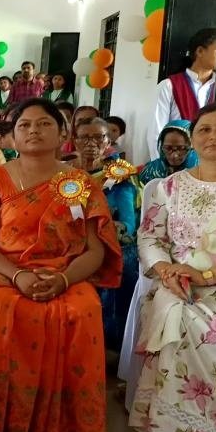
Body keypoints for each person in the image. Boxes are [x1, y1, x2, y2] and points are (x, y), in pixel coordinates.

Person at [0, 98, 123, 432]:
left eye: (44, 124)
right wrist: (17, 275)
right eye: (24, 125)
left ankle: (66, 424)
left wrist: (64, 280)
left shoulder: (81, 183)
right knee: (3, 306)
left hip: (65, 272)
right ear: (13, 136)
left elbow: (95, 251)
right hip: (3, 270)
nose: (33, 130)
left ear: (63, 134)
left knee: (82, 309)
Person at [130, 102, 216, 432]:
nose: (214, 136)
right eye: (205, 129)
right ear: (193, 139)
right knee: (177, 313)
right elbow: (150, 237)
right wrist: (166, 271)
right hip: (178, 283)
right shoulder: (169, 187)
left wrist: (206, 276)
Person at [73, 117, 140, 352]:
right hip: (66, 241)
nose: (91, 143)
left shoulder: (119, 177)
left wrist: (113, 229)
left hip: (105, 240)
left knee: (125, 260)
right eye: (85, 137)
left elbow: (127, 222)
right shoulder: (63, 173)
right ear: (74, 141)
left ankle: (111, 344)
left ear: (108, 142)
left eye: (98, 137)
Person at [149, 28, 216, 160]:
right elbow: (156, 133)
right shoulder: (169, 86)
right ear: (200, 51)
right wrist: (163, 166)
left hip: (213, 163)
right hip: (176, 162)